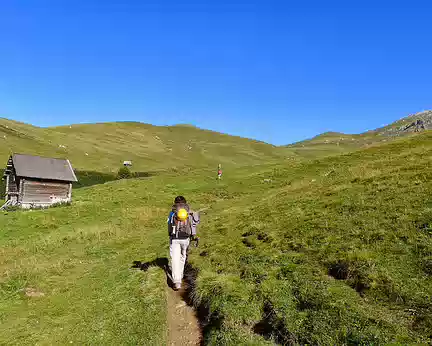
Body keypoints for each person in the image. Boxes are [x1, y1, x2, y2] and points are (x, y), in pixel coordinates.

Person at [167, 196, 200, 291]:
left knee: (174, 259)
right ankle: (180, 276)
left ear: (175, 203)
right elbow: (195, 223)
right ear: (185, 202)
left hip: (174, 238)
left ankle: (177, 282)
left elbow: (169, 225)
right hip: (186, 238)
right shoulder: (189, 212)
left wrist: (170, 234)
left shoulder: (172, 212)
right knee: (182, 257)